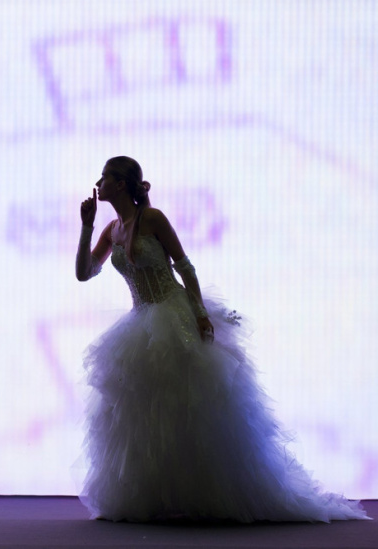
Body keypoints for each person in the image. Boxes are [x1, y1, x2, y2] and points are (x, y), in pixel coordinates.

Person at [74, 156, 370, 522]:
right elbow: (85, 272)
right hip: (140, 323)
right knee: (145, 414)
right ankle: (158, 497)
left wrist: (199, 313)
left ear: (120, 184)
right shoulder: (111, 229)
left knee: (191, 406)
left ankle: (210, 494)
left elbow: (184, 267)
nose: (98, 183)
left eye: (104, 177)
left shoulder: (152, 219)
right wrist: (87, 227)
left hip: (172, 315)